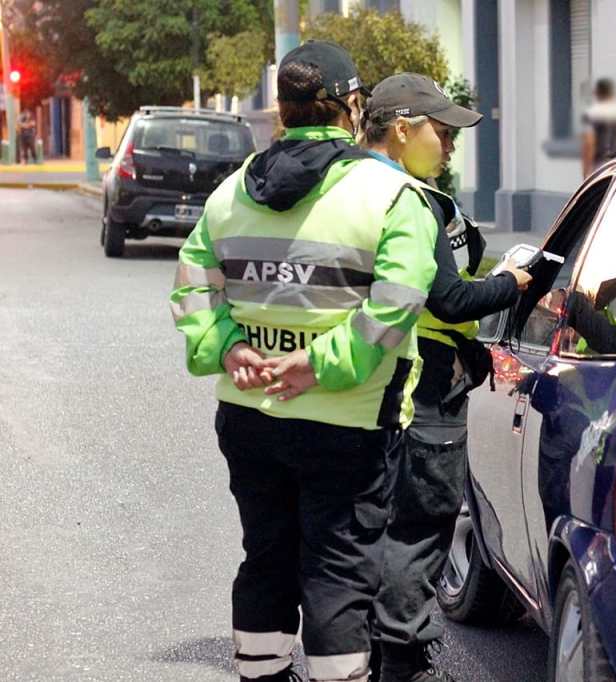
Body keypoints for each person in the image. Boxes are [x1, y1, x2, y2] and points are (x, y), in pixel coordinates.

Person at [170, 41, 443, 682]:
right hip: (350, 422)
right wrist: (319, 366)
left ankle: (261, 674)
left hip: (249, 414)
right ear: (353, 106)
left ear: (282, 111)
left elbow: (192, 285)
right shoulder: (393, 196)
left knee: (266, 556)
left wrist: (229, 347)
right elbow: (397, 304)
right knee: (336, 570)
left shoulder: (231, 194)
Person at [359, 72, 532, 682]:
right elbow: (448, 299)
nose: (452, 145)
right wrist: (511, 284)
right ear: (403, 129)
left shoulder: (345, 189)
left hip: (354, 384)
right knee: (419, 526)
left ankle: (363, 652)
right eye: (443, 131)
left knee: (367, 525)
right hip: (421, 386)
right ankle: (401, 659)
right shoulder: (410, 200)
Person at [581, 78, 616, 177]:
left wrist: (586, 172)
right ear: (613, 93)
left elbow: (589, 144)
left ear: (597, 93)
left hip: (600, 166)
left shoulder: (592, 114)